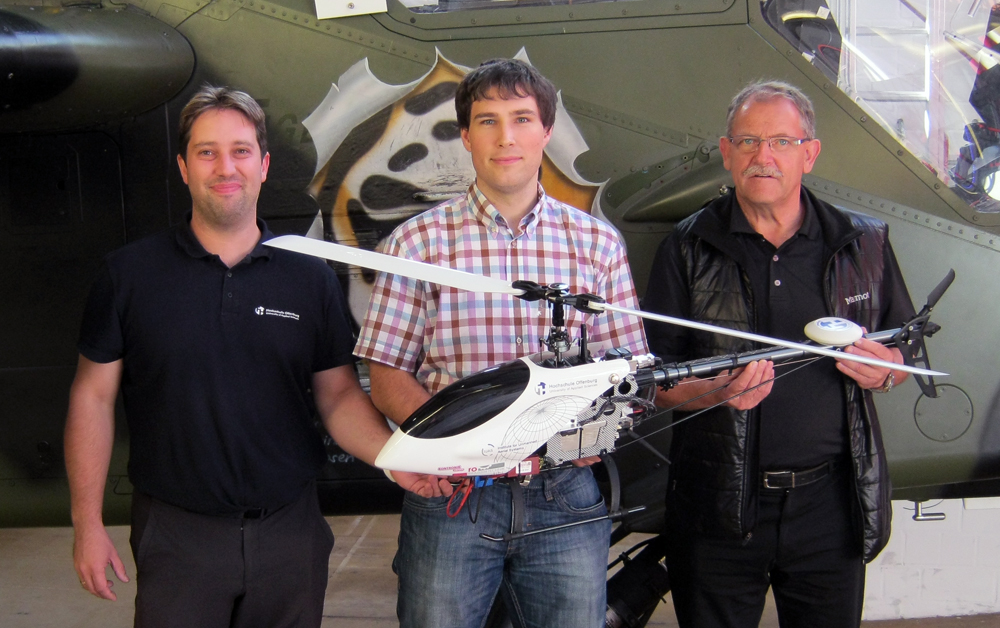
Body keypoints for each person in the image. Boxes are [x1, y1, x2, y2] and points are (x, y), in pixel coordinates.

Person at [64, 85, 447, 628]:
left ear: (264, 166)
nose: (226, 167)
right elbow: (92, 398)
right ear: (183, 167)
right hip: (176, 537)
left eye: (241, 151)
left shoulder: (309, 277)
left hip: (289, 535)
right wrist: (87, 523)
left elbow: (338, 396)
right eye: (207, 152)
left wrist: (395, 459)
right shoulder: (128, 276)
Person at [354, 58, 647, 628]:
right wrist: (462, 447)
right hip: (453, 497)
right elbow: (386, 376)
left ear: (546, 131)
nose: (506, 137)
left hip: (564, 494)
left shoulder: (598, 245)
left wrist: (598, 429)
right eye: (487, 121)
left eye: (522, 119)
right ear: (466, 136)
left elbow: (627, 373)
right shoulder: (415, 244)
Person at [643, 80, 916, 628]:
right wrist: (716, 392)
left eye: (781, 142)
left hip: (831, 505)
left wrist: (886, 372)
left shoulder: (862, 242)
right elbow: (651, 381)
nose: (762, 156)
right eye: (747, 141)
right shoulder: (688, 247)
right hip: (718, 504)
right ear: (727, 153)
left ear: (809, 154)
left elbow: (904, 347)